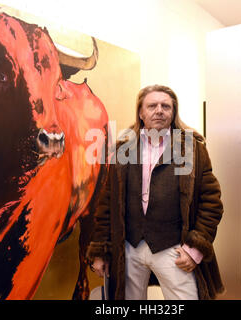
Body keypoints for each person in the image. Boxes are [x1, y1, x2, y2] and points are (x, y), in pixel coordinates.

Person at [86, 84, 224, 300]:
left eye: (165, 106)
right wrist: (101, 251)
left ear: (173, 112)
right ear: (141, 112)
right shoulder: (123, 149)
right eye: (152, 105)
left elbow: (211, 202)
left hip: (174, 249)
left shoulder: (192, 148)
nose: (159, 110)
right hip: (129, 249)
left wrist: (194, 250)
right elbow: (107, 203)